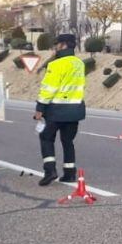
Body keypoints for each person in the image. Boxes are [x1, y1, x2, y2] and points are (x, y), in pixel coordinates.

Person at [34, 33, 87, 186]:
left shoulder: (56, 64)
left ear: (63, 45)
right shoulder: (79, 64)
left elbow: (48, 89)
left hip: (56, 109)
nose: (55, 47)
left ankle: (50, 171)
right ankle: (70, 173)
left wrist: (39, 108)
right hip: (75, 109)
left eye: (57, 44)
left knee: (46, 137)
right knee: (68, 141)